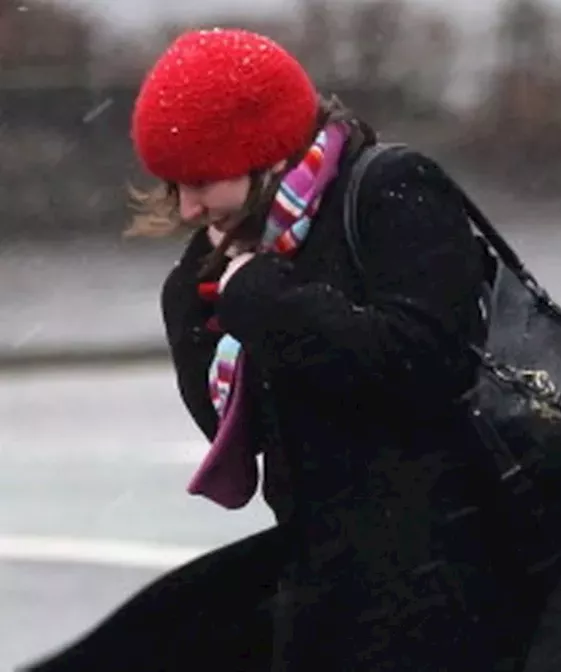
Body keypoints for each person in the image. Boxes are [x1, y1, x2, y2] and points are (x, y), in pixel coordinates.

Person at [37, 27, 532, 672]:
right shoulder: (221, 264)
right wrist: (196, 315)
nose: (187, 209)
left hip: (455, 573)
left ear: (267, 154)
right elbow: (243, 438)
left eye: (201, 182)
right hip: (327, 578)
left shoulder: (388, 190)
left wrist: (267, 302)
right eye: (171, 186)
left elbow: (428, 362)